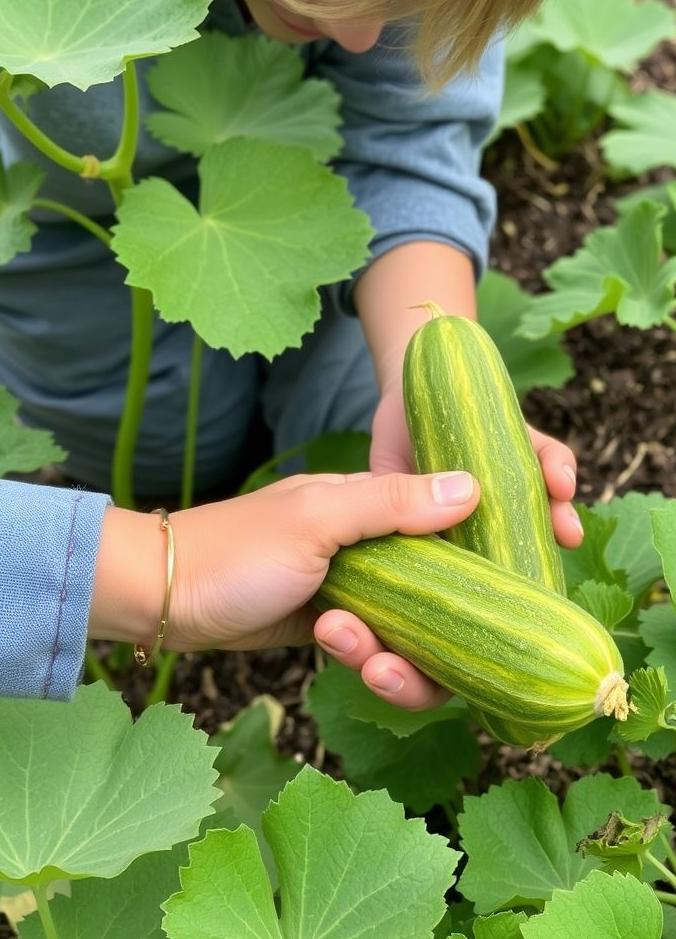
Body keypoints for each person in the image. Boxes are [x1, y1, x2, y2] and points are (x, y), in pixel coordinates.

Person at [0, 0, 583, 704]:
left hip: (308, 213)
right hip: (69, 236)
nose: (366, 37)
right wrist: (162, 574)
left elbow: (407, 140)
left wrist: (432, 386)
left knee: (360, 429)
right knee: (167, 452)